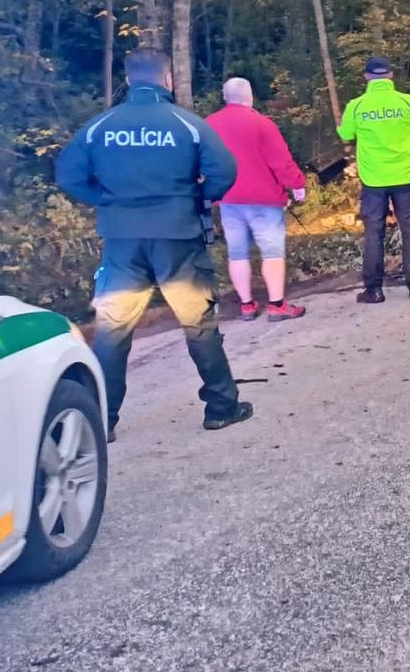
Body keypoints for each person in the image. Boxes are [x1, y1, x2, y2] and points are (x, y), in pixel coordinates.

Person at [55, 48, 252, 438]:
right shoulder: (186, 123)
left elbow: (68, 174)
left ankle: (102, 421)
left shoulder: (100, 126)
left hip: (122, 242)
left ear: (128, 80)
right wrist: (196, 198)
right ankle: (221, 407)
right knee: (198, 323)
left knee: (112, 330)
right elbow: (224, 170)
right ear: (168, 80)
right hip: (178, 236)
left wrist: (107, 201)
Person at [206, 77, 309, 322]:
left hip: (228, 199)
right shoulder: (262, 123)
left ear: (225, 97)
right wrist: (297, 184)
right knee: (272, 251)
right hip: (264, 198)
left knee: (237, 253)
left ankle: (247, 306)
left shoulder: (208, 125)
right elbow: (280, 161)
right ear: (249, 96)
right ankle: (276, 306)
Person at [338, 55, 410, 303]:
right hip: (404, 176)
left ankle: (374, 290)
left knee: (374, 232)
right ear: (390, 75)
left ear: (367, 77)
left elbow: (345, 133)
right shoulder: (406, 101)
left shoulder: (357, 106)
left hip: (374, 179)